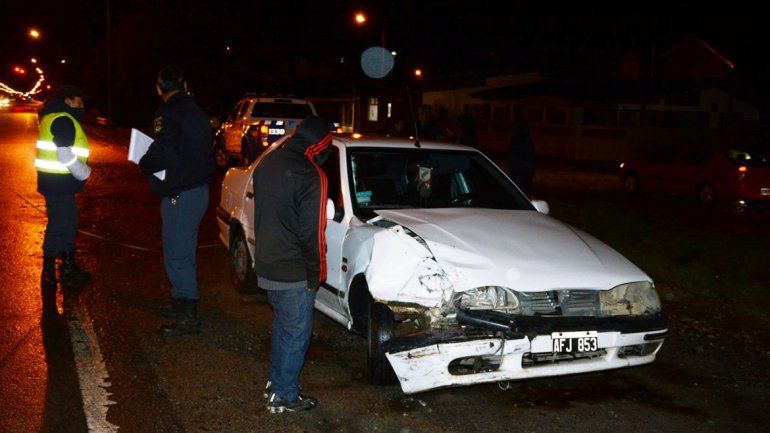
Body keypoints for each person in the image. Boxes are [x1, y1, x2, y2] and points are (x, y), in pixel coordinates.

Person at [251, 116, 332, 413]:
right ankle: (284, 394)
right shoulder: (311, 175)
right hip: (293, 270)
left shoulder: (268, 162)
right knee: (296, 333)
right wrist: (316, 274)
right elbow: (313, 232)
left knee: (284, 328)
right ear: (320, 145)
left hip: (267, 262)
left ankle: (277, 383)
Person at [139, 65, 216, 337]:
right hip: (197, 191)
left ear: (159, 89)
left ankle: (187, 313)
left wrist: (144, 163)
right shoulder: (197, 112)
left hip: (180, 194)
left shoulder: (168, 113)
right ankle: (181, 300)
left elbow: (163, 150)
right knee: (182, 247)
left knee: (178, 251)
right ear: (184, 85)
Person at [35, 85, 93, 290]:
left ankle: (67, 266)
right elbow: (65, 155)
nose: (82, 105)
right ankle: (51, 271)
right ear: (68, 100)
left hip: (56, 183)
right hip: (59, 183)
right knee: (60, 225)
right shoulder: (63, 119)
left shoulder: (52, 116)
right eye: (80, 101)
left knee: (66, 223)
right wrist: (85, 172)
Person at [507, 106, 536, 195]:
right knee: (523, 187)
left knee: (519, 187)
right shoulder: (524, 139)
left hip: (520, 168)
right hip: (522, 168)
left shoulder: (517, 139)